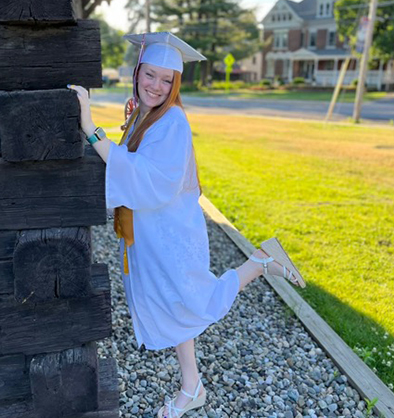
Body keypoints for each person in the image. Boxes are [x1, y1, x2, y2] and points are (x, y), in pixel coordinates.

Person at [68, 31, 306, 418]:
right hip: (151, 233)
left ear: (176, 83)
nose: (157, 86)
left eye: (167, 80)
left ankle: (260, 262)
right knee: (176, 304)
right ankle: (192, 385)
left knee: (193, 301)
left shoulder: (172, 120)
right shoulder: (149, 113)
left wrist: (91, 128)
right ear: (138, 71)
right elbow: (135, 161)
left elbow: (150, 178)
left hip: (169, 233)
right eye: (150, 75)